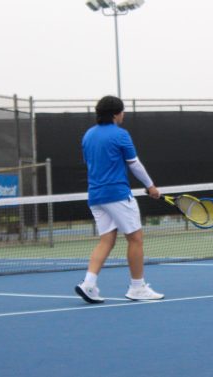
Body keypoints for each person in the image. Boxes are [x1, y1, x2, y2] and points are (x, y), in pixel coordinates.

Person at [75, 95, 164, 304]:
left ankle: (88, 283)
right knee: (135, 239)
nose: (123, 115)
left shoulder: (88, 135)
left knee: (107, 239)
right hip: (117, 195)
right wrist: (150, 186)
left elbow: (90, 163)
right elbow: (134, 164)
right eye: (122, 112)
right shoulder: (121, 135)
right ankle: (137, 287)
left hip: (95, 196)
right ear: (117, 114)